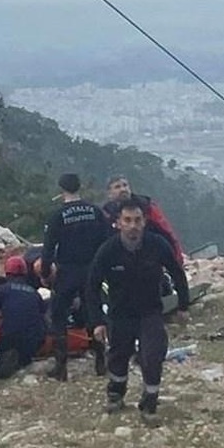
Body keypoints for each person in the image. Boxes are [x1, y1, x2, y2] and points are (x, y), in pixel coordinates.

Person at [85, 197, 189, 425]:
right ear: (118, 223)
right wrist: (97, 322)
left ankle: (149, 405)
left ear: (144, 222)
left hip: (150, 312)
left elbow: (177, 273)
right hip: (119, 314)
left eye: (137, 220)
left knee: (152, 357)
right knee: (119, 357)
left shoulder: (158, 245)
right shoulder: (108, 250)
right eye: (128, 220)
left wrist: (183, 305)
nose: (133, 225)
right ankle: (115, 394)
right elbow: (91, 286)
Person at [40, 173, 109, 381]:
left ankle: (61, 367)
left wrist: (44, 273)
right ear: (80, 187)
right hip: (91, 269)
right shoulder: (95, 211)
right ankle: (100, 361)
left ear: (62, 189)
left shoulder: (58, 216)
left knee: (59, 316)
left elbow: (48, 249)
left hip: (67, 271)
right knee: (93, 313)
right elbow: (106, 242)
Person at [0, 255, 47, 379]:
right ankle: (22, 360)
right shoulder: (35, 293)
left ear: (7, 273)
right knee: (25, 351)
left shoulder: (1, 290)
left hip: (10, 339)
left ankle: (4, 362)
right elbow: (44, 319)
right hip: (34, 341)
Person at [101, 175, 184, 266]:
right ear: (109, 193)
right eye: (117, 187)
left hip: (150, 256)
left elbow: (167, 232)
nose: (123, 189)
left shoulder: (147, 206)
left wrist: (177, 259)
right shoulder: (106, 213)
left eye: (125, 185)